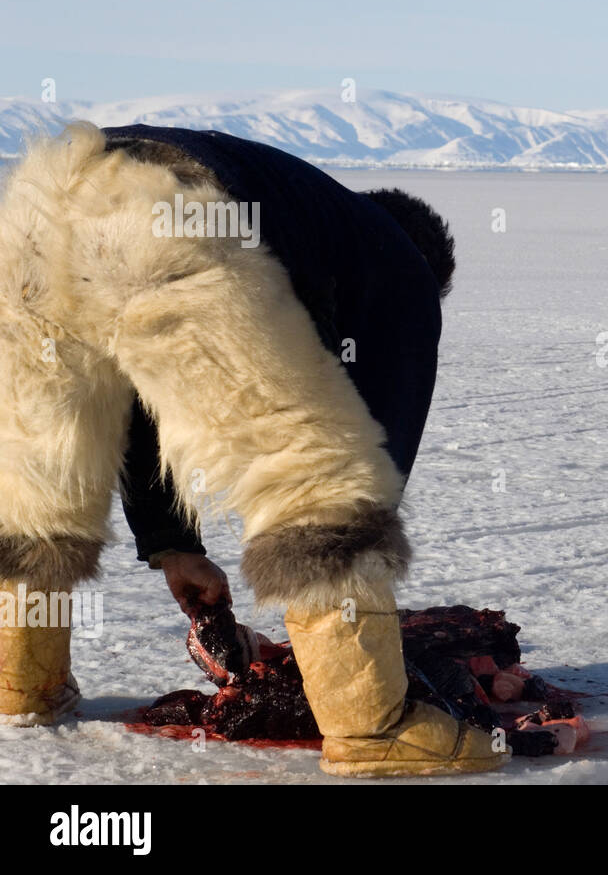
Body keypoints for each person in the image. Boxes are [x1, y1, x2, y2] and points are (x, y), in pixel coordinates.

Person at [0, 122, 507, 776]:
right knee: (322, 486)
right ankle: (373, 727)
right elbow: (365, 463)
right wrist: (342, 543)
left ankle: (21, 682)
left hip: (38, 206)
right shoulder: (398, 270)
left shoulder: (311, 218)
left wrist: (173, 544)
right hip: (173, 211)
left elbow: (147, 388)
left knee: (40, 483)